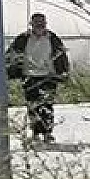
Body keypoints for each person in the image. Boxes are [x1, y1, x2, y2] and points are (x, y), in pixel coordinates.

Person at [6, 13, 70, 143]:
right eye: (37, 23)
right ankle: (35, 132)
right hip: (29, 76)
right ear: (31, 24)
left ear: (45, 24)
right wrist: (11, 70)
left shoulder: (52, 38)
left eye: (42, 22)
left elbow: (62, 56)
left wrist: (64, 72)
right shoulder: (23, 39)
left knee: (47, 105)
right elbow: (11, 55)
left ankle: (47, 132)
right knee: (33, 106)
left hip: (48, 76)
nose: (39, 25)